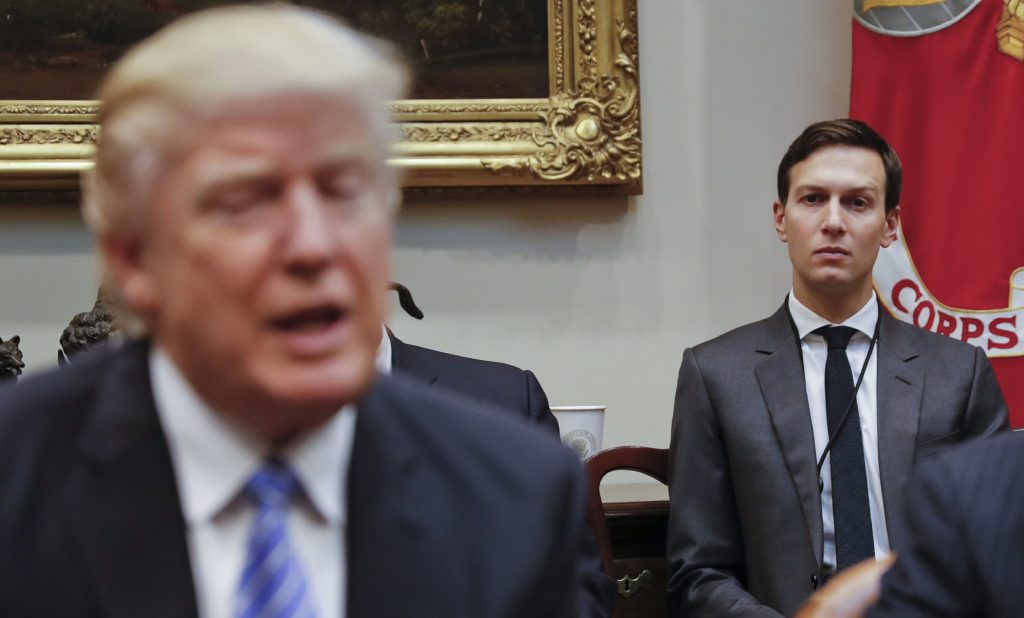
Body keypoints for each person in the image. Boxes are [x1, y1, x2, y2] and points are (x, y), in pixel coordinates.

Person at [0, 6, 588, 617]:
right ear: (133, 260)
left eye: (344, 192)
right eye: (246, 200)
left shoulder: (513, 495)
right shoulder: (16, 477)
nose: (314, 245)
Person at [666, 119, 1009, 617]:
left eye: (857, 202)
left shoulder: (958, 373)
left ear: (890, 225)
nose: (833, 222)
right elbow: (696, 573)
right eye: (812, 199)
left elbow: (1002, 546)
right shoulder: (716, 375)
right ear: (781, 219)